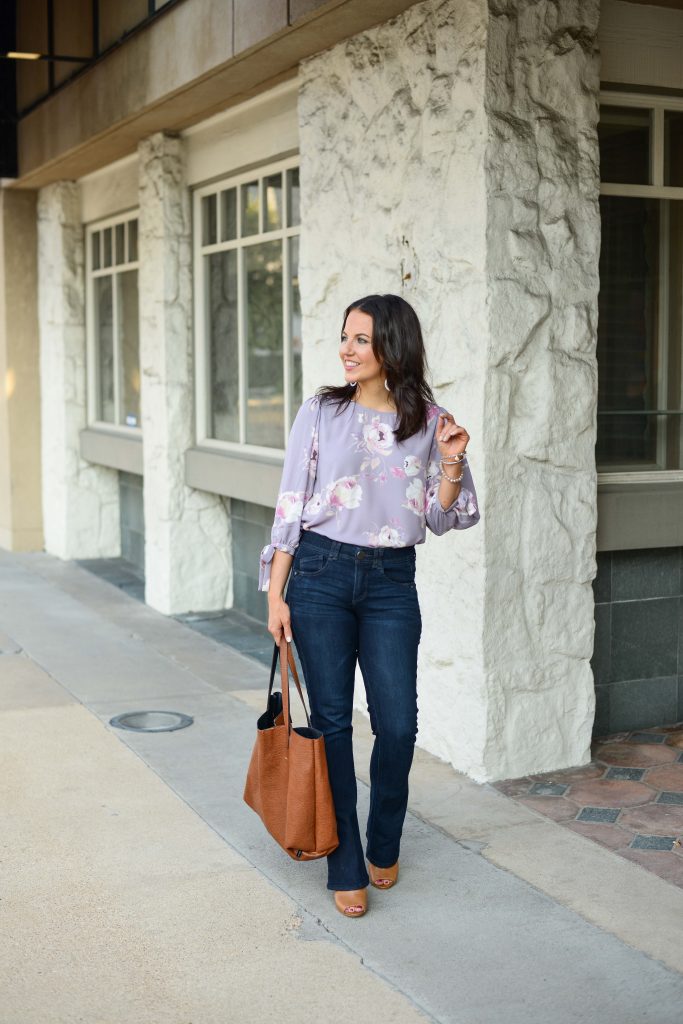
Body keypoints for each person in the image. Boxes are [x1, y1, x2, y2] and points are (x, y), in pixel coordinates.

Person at [258, 293, 480, 918]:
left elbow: (445, 516)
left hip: (390, 582)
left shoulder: (430, 421)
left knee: (398, 724)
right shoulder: (322, 411)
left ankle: (386, 838)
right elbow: (291, 503)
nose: (346, 350)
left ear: (392, 346)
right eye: (345, 337)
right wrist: (276, 592)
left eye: (360, 339)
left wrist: (455, 459)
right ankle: (346, 859)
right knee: (330, 724)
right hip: (320, 575)